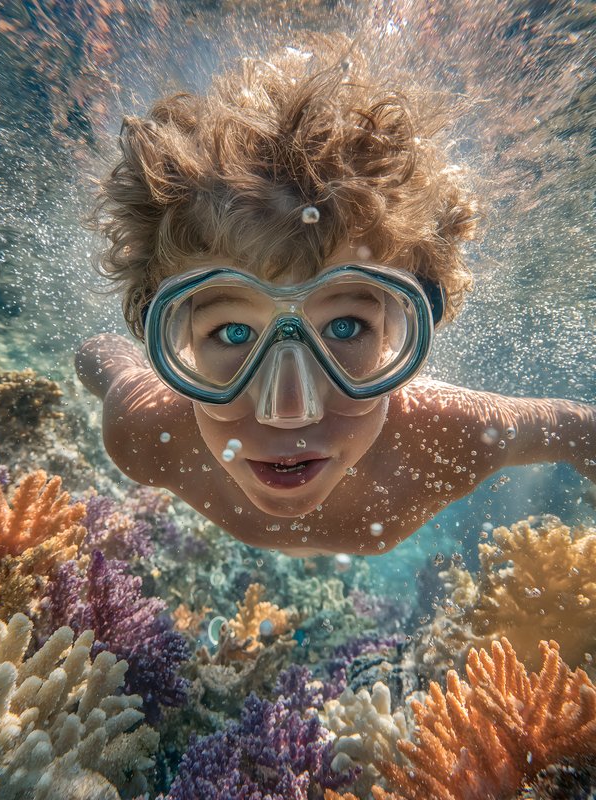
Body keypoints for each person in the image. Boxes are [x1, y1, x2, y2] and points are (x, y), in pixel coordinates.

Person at [76, 41, 595, 556]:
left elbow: (576, 426)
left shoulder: (452, 437)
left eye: (345, 327)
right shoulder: (145, 432)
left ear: (402, 333)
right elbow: (102, 360)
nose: (290, 411)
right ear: (170, 343)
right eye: (234, 332)